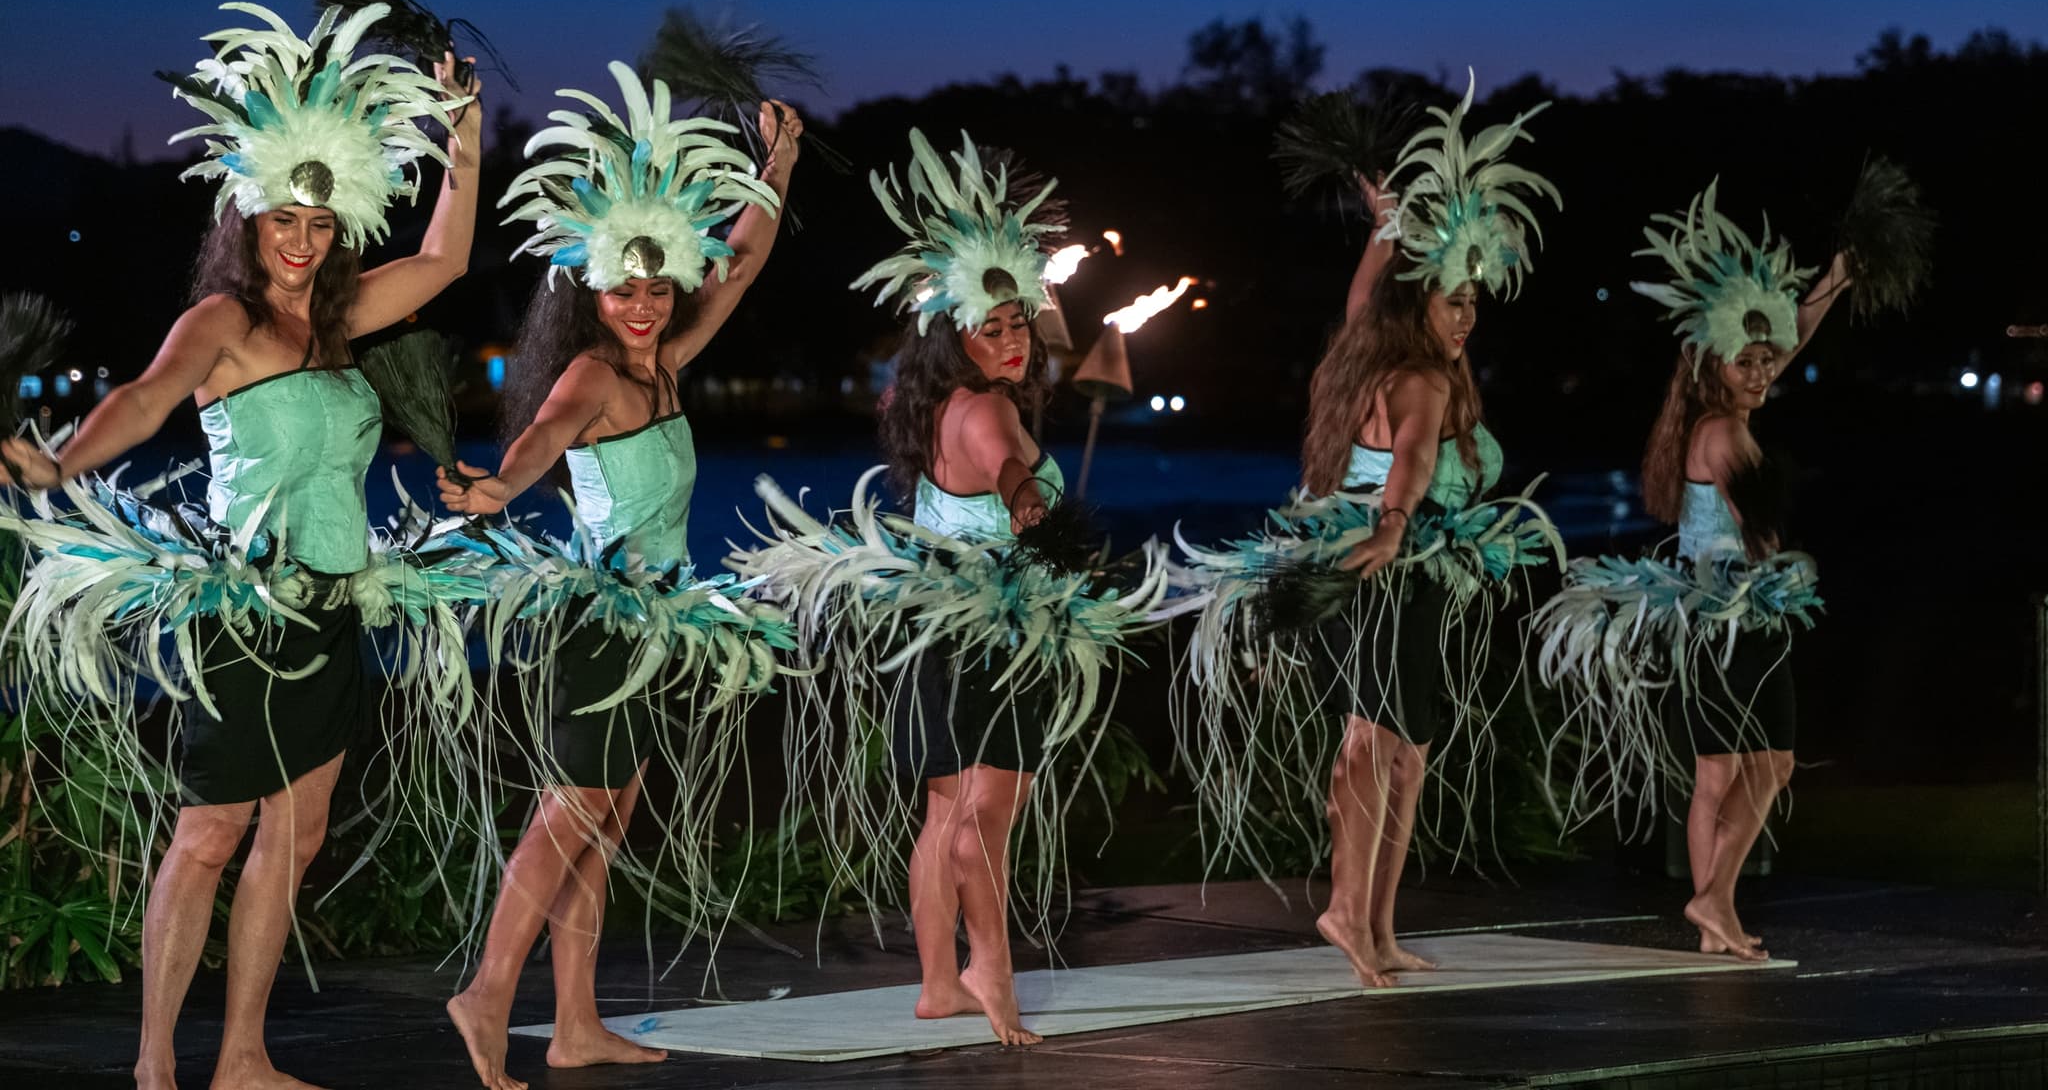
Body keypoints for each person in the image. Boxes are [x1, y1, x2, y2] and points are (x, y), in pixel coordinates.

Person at [0, 0, 476, 1090]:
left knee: (296, 839)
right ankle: (157, 1065)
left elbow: (447, 255)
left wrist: (464, 128)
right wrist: (63, 460)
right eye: (282, 223)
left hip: (333, 612)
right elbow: (144, 396)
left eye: (320, 226)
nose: (302, 244)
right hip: (246, 619)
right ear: (249, 217)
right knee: (211, 833)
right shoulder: (220, 322)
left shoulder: (344, 325)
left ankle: (245, 1056)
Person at [731, 129, 1168, 1046]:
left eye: (1019, 324)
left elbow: (992, 452)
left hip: (933, 627)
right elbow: (1009, 467)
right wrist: (1030, 509)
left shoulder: (936, 406)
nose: (1012, 340)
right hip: (990, 634)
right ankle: (992, 971)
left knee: (942, 814)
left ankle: (937, 983)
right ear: (956, 331)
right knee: (985, 822)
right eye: (992, 327)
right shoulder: (993, 410)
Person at [436, 63, 798, 1090]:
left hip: (655, 627)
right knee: (570, 815)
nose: (641, 305)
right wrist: (499, 489)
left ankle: (577, 1024)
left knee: (603, 826)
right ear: (589, 287)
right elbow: (540, 435)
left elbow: (745, 255)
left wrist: (778, 162)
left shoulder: (668, 361)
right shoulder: (593, 373)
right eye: (622, 289)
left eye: (654, 288)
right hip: (599, 623)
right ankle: (487, 991)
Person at [1173, 74, 1562, 988]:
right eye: (1450, 300)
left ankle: (1377, 925)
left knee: (1408, 754)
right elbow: (1415, 461)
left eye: (1474, 303)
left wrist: (1386, 220)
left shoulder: (1373, 354)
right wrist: (1392, 527)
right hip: (1384, 565)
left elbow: (1361, 297)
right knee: (1372, 745)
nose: (1465, 317)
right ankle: (1347, 909)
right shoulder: (1416, 382)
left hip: (1402, 572)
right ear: (1417, 300)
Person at [1536, 181, 1848, 962]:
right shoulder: (1725, 435)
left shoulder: (1707, 420)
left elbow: (1782, 341)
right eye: (1748, 362)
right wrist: (1783, 559)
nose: (1764, 372)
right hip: (1740, 614)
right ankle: (1713, 896)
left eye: (1768, 360)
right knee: (1770, 763)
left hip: (1702, 621)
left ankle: (1717, 922)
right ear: (1716, 364)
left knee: (1715, 773)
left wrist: (1829, 288)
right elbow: (1759, 538)